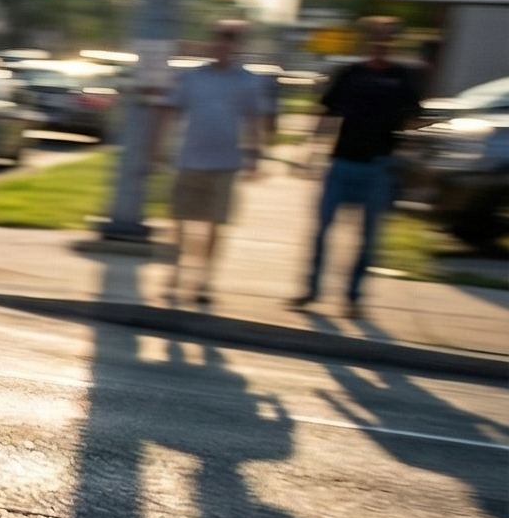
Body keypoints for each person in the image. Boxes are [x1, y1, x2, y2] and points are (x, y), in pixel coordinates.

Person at [298, 17, 429, 316]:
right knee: (321, 231)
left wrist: (413, 157)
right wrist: (310, 150)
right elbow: (328, 112)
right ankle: (311, 290)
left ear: (393, 41)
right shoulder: (350, 74)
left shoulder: (403, 78)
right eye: (376, 37)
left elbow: (414, 119)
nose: (381, 43)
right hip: (343, 162)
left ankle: (353, 299)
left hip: (379, 166)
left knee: (368, 238)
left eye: (387, 38)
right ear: (368, 40)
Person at [160, 20, 277, 309]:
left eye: (231, 40)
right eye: (220, 39)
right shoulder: (193, 77)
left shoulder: (248, 81)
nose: (224, 44)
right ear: (213, 42)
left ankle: (203, 281)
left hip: (226, 163)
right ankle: (175, 274)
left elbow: (254, 120)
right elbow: (171, 111)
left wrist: (255, 155)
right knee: (180, 222)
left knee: (215, 226)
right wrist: (160, 149)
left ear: (239, 45)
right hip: (190, 159)